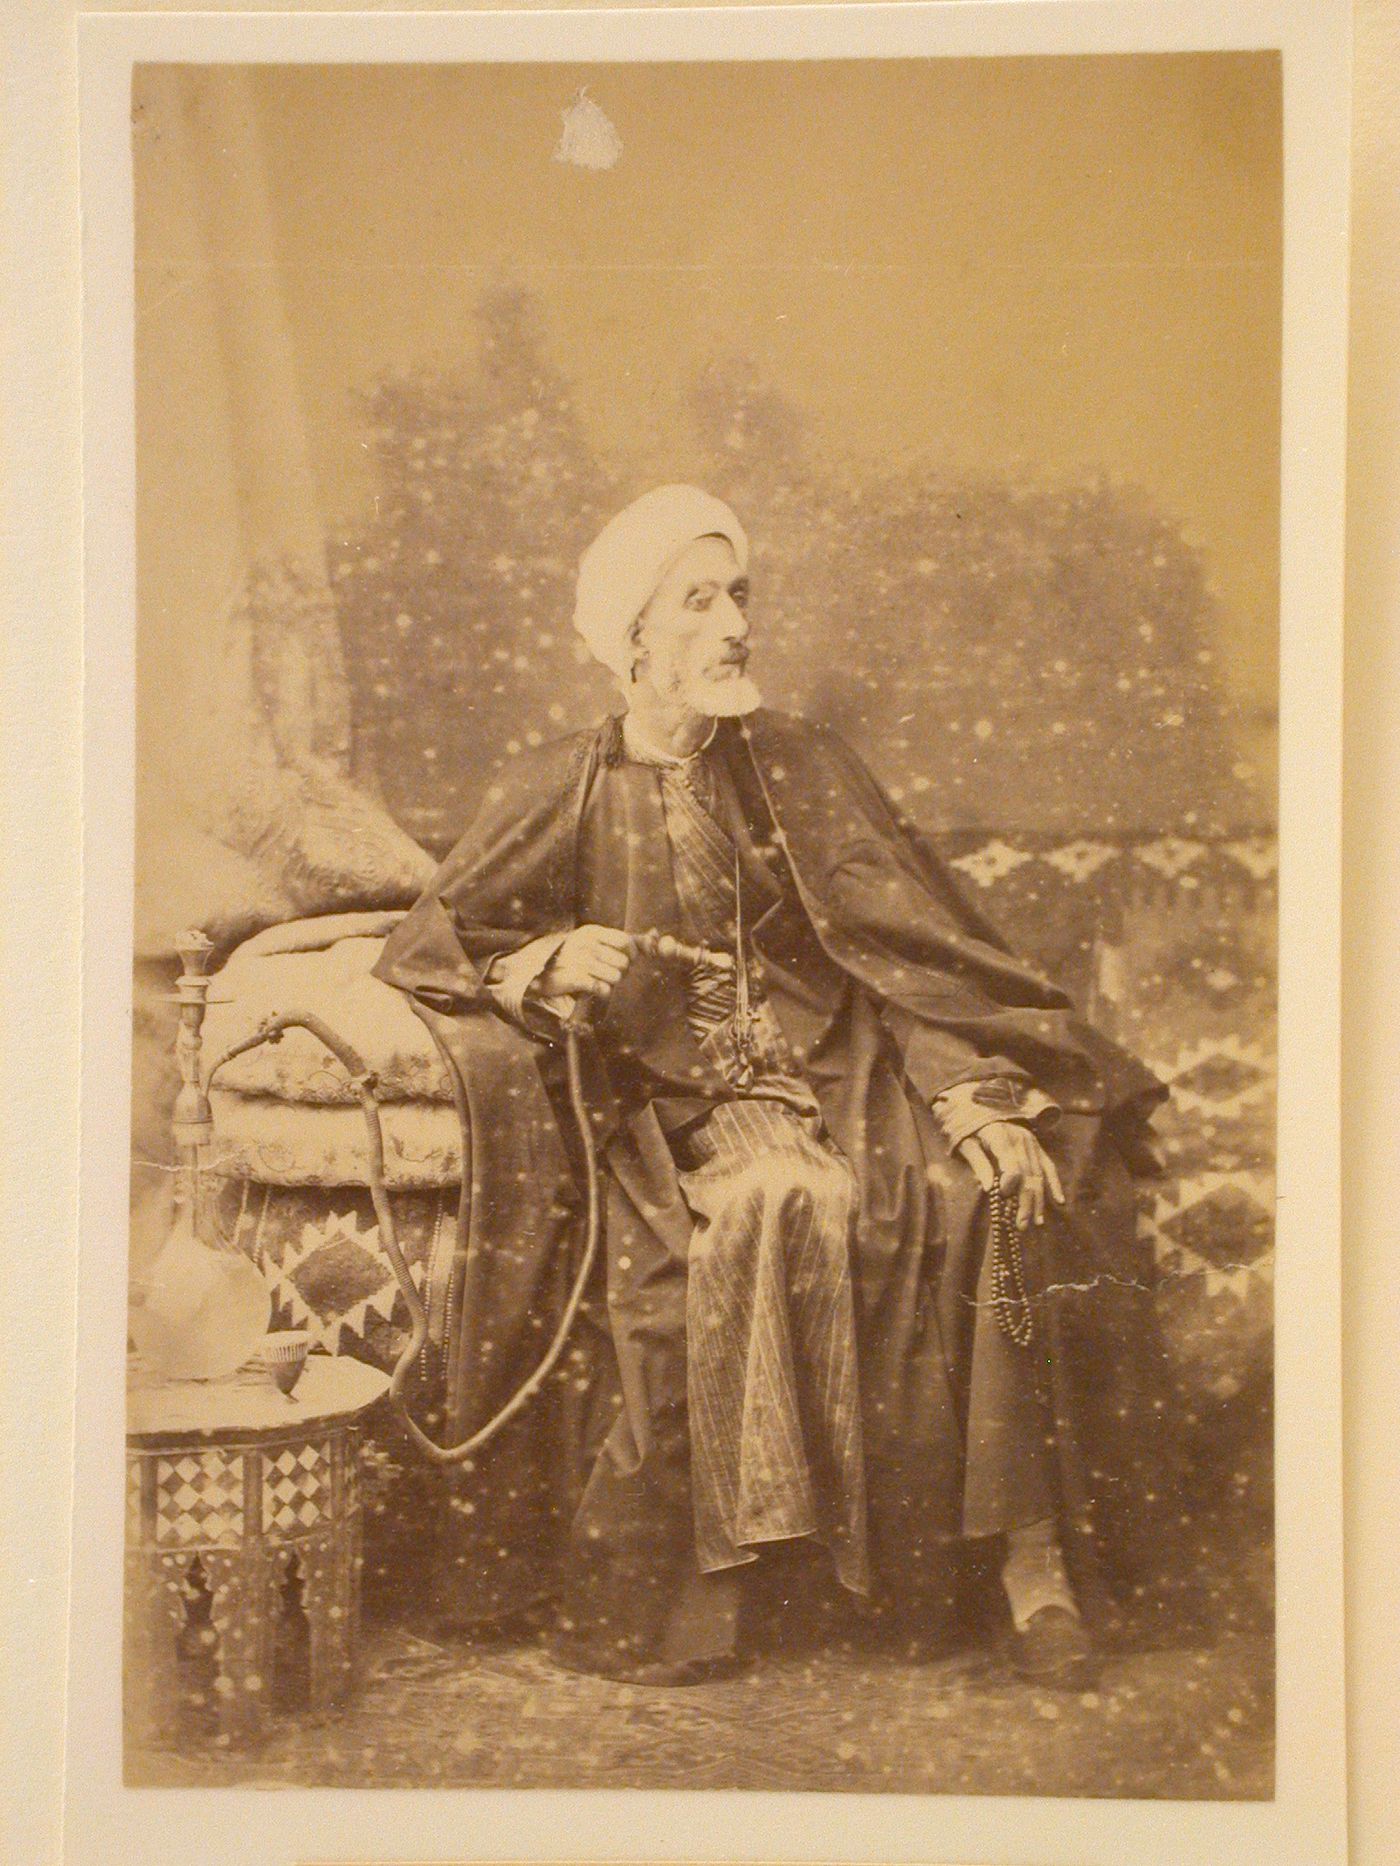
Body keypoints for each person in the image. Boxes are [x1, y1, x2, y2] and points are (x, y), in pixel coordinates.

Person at [374, 485, 1176, 1690]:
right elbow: (439, 940)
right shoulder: (564, 784)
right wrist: (542, 963)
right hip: (671, 1103)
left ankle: (1029, 1565)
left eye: (737, 595)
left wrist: (966, 1087)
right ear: (632, 640)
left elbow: (909, 950)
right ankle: (768, 1579)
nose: (732, 625)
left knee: (992, 1198)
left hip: (850, 1067)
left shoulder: (798, 760)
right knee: (782, 1204)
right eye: (696, 603)